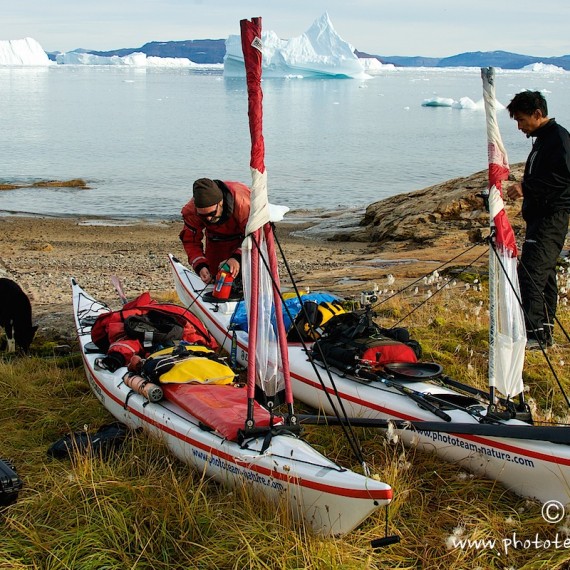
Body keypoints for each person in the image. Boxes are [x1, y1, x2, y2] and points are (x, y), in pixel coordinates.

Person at [506, 91, 570, 349]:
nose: (520, 127)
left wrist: (527, 188)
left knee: (531, 274)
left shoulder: (558, 139)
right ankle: (543, 333)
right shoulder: (544, 139)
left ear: (537, 114)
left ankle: (534, 335)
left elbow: (564, 179)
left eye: (521, 120)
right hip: (540, 216)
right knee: (544, 275)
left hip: (551, 217)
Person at [180, 178, 251, 285]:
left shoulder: (242, 202)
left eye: (212, 213)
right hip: (216, 242)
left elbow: (256, 235)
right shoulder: (191, 211)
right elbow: (190, 241)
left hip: (244, 238)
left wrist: (238, 258)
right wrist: (200, 265)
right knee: (215, 278)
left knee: (250, 278)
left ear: (221, 202)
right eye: (203, 216)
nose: (208, 219)